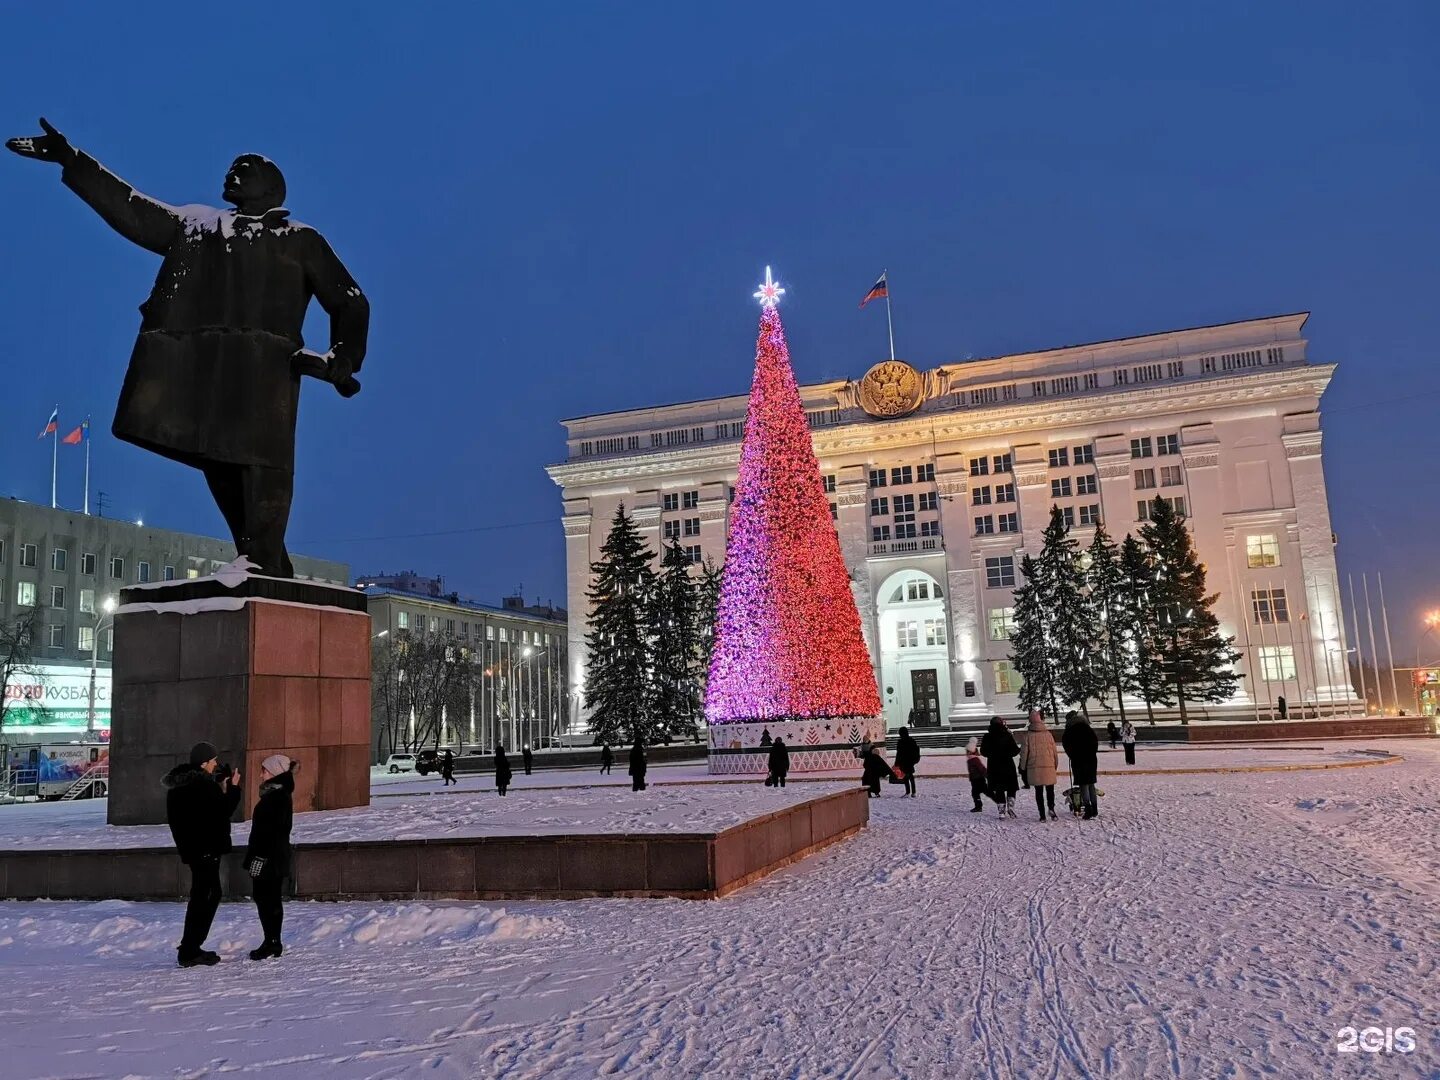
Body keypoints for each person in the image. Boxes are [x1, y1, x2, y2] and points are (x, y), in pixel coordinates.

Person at [5, 120, 369, 578]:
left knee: (265, 462)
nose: (233, 172)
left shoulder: (300, 240)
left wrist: (344, 355)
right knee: (218, 458)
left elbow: (350, 300)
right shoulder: (199, 224)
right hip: (204, 365)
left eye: (246, 168)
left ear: (272, 187)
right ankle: (263, 556)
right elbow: (133, 208)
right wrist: (71, 160)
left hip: (267, 369)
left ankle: (263, 557)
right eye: (233, 166)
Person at [163, 741, 242, 967]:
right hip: (206, 849)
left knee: (203, 894)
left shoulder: (182, 786)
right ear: (205, 762)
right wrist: (234, 787)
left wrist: (218, 784)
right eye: (213, 760)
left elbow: (198, 811)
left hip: (193, 850)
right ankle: (190, 948)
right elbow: (223, 810)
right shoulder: (202, 787)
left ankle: (191, 946)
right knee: (208, 895)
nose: (216, 764)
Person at [245, 754, 296, 961]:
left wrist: (260, 857)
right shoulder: (276, 794)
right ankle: (272, 941)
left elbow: (272, 830)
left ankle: (272, 942)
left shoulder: (277, 796)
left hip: (269, 858)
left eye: (264, 770)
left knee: (267, 898)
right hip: (272, 857)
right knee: (267, 898)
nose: (260, 774)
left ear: (274, 772)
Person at [1018, 711, 1058, 822]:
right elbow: (1055, 752)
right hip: (1049, 765)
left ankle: (1042, 815)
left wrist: (1023, 767)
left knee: (1038, 791)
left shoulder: (1028, 736)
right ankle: (1052, 809)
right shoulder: (1048, 735)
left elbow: (1024, 753)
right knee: (1050, 790)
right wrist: (1054, 765)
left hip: (1034, 767)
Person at [1061, 711, 1100, 819]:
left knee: (1083, 784)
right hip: (1091, 759)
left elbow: (1066, 745)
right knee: (1091, 783)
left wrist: (1072, 755)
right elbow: (1095, 742)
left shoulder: (1069, 730)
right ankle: (1095, 809)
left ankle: (1088, 810)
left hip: (1078, 760)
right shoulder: (1087, 728)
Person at [980, 716, 1020, 819]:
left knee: (998, 789)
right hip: (1007, 765)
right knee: (1011, 786)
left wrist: (992, 754)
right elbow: (1015, 751)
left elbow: (983, 752)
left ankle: (1001, 810)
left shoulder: (987, 737)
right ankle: (1011, 805)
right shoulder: (1007, 735)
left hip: (994, 766)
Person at [893, 726, 920, 798]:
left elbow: (898, 753)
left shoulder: (900, 742)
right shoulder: (911, 740)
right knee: (910, 776)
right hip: (910, 761)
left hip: (904, 761)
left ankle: (908, 791)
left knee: (906, 777)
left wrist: (896, 762)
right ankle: (913, 792)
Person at [965, 738, 988, 813]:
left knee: (983, 792)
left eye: (967, 751)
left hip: (978, 779)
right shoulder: (971, 760)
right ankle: (978, 806)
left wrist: (987, 775)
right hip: (975, 779)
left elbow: (982, 768)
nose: (966, 753)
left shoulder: (974, 760)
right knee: (976, 793)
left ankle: (999, 802)